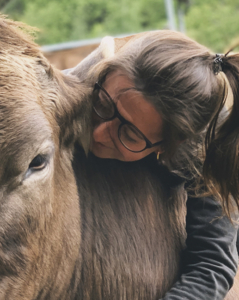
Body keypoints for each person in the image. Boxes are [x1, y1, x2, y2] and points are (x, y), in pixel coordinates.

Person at [67, 31, 239, 299]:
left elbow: (211, 264)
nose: (98, 133)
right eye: (102, 105)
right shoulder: (89, 82)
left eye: (128, 134)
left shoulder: (204, 146)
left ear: (166, 147)